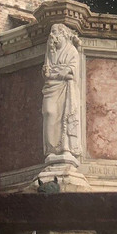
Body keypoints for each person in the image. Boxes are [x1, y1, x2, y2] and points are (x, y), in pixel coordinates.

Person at [42, 24, 82, 161]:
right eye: (51, 33)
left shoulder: (71, 51)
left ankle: (65, 148)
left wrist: (57, 73)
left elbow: (71, 70)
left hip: (65, 87)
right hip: (51, 87)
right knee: (49, 113)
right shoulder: (50, 51)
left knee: (64, 115)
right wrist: (50, 72)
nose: (52, 36)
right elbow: (48, 70)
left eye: (54, 32)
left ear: (63, 34)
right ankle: (51, 149)